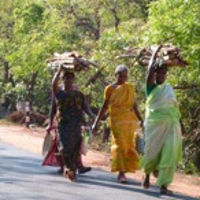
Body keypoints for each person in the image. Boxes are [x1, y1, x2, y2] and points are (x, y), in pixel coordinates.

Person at [141, 46, 182, 194]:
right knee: (152, 152)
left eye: (164, 73)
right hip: (154, 125)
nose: (162, 76)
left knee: (169, 151)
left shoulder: (169, 88)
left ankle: (164, 185)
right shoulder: (150, 87)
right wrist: (155, 53)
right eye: (159, 73)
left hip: (171, 125)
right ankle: (146, 174)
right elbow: (150, 72)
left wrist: (180, 127)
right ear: (156, 73)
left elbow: (174, 109)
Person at [92, 64, 143, 183]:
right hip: (116, 120)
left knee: (128, 145)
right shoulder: (110, 88)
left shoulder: (129, 88)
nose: (123, 78)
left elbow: (134, 105)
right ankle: (121, 173)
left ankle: (124, 170)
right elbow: (104, 106)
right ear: (116, 75)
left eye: (125, 76)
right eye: (120, 75)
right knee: (119, 145)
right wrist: (96, 122)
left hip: (128, 121)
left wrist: (141, 119)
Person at [52, 66, 95, 181]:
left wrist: (92, 116)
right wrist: (58, 71)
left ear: (73, 80)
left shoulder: (79, 95)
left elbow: (85, 107)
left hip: (76, 124)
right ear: (63, 80)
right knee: (65, 147)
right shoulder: (59, 94)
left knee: (76, 148)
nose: (68, 81)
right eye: (66, 79)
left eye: (70, 79)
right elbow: (53, 85)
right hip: (63, 125)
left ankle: (72, 168)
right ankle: (68, 167)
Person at [43, 93, 92, 174]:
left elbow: (80, 109)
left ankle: (79, 166)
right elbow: (53, 109)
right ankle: (65, 166)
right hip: (62, 124)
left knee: (76, 146)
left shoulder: (77, 93)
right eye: (67, 79)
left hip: (74, 125)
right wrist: (50, 124)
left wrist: (86, 122)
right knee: (61, 146)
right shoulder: (59, 92)